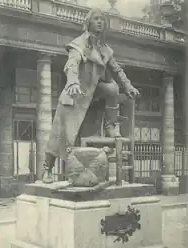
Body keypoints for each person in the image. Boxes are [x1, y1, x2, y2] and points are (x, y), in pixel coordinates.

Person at [42, 8, 140, 184]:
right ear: (88, 23)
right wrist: (72, 81)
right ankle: (47, 169)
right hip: (74, 95)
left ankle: (111, 125)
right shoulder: (78, 44)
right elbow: (71, 64)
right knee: (60, 137)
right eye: (96, 19)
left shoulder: (105, 50)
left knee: (112, 88)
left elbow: (117, 70)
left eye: (102, 19)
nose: (100, 22)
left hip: (91, 95)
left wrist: (128, 85)